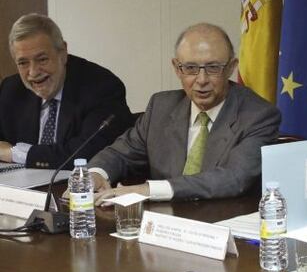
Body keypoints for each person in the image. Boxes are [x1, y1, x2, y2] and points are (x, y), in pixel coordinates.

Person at [89, 23, 281, 203]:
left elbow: (234, 177)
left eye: (213, 68)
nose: (201, 79)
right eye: (191, 68)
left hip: (224, 223)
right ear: (177, 68)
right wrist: (95, 175)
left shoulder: (258, 115)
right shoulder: (161, 107)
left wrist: (149, 190)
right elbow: (121, 154)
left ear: (231, 68)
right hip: (164, 225)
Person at [0, 13, 133, 169]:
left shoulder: (101, 87)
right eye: (23, 63)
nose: (33, 72)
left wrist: (14, 153)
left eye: (42, 59)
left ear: (63, 52)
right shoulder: (11, 89)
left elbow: (86, 155)